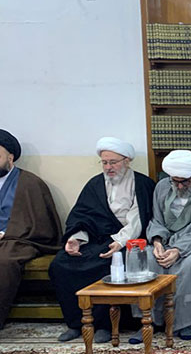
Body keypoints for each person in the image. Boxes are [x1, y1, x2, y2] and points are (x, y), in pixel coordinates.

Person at [50, 137, 155, 343]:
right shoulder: (95, 184)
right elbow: (82, 216)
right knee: (60, 264)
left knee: (110, 264)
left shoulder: (142, 184)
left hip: (126, 239)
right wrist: (76, 239)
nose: (108, 167)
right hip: (93, 238)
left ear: (127, 161)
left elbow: (137, 221)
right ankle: (75, 323)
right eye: (104, 162)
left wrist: (119, 242)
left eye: (113, 162)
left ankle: (106, 325)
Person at [128, 150, 191, 343]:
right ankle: (149, 320)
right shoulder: (161, 186)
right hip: (165, 240)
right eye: (175, 181)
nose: (179, 186)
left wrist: (178, 250)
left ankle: (184, 322)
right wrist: (157, 242)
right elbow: (156, 219)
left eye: (184, 181)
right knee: (146, 258)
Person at [0, 130, 62, 328]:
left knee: (4, 261)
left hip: (18, 240)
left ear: (10, 157)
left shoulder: (29, 183)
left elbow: (41, 224)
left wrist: (6, 233)